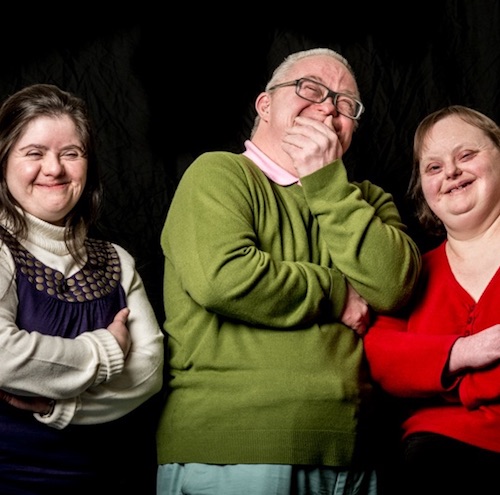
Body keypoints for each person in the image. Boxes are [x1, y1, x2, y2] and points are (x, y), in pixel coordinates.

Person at [156, 47, 421, 495]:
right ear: (264, 104)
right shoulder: (219, 174)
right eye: (310, 88)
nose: (327, 106)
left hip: (356, 455)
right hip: (237, 450)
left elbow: (393, 286)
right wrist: (338, 292)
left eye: (345, 104)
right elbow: (225, 278)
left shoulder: (369, 200)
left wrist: (325, 182)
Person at [0, 83, 164, 495]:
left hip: (108, 480)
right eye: (34, 153)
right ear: (3, 162)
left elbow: (149, 371)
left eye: (70, 153)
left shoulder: (116, 260)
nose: (54, 169)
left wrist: (63, 405)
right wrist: (105, 351)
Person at [364, 105, 500, 494]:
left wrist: (431, 373)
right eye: (433, 167)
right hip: (433, 466)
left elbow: (401, 365)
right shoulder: (409, 275)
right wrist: (468, 351)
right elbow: (376, 357)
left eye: (467, 155)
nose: (451, 173)